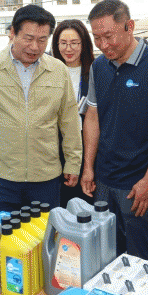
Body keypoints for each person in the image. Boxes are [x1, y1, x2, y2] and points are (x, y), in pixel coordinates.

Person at [81, 0, 148, 262]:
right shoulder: (99, 66)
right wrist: (88, 167)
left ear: (129, 26)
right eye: (97, 38)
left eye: (108, 36)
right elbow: (92, 117)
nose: (103, 45)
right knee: (106, 253)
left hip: (138, 183)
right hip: (104, 179)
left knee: (140, 256)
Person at [0, 5, 82, 212]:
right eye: (28, 38)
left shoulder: (58, 70)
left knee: (44, 231)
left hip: (46, 177)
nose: (35, 47)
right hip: (0, 176)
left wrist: (73, 163)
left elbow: (69, 122)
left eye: (42, 40)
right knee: (2, 231)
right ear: (13, 33)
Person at [51, 19, 95, 207]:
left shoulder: (95, 71)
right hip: (55, 145)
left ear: (84, 44)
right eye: (63, 43)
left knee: (83, 203)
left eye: (74, 43)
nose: (68, 49)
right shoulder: (49, 71)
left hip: (86, 142)